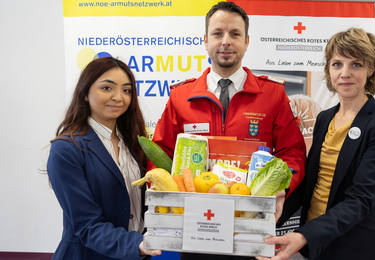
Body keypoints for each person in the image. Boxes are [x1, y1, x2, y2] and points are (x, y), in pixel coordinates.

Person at [149, 1, 306, 259]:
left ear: (246, 41)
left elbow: (294, 152)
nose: (226, 41)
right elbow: (160, 153)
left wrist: (280, 189)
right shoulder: (180, 96)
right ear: (205, 40)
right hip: (195, 227)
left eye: (234, 34)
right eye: (217, 33)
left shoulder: (273, 94)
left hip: (251, 225)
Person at [257, 28, 375, 260]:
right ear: (328, 69)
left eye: (355, 64)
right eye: (337, 64)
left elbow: (362, 199)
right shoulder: (324, 118)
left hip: (353, 246)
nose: (344, 73)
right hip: (316, 244)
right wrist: (275, 204)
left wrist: (305, 234)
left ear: (371, 68)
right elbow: (311, 181)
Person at [47, 57, 161, 260]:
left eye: (126, 90)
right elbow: (86, 225)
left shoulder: (135, 143)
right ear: (84, 94)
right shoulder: (66, 149)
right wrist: (137, 244)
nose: (119, 97)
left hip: (137, 254)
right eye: (107, 88)